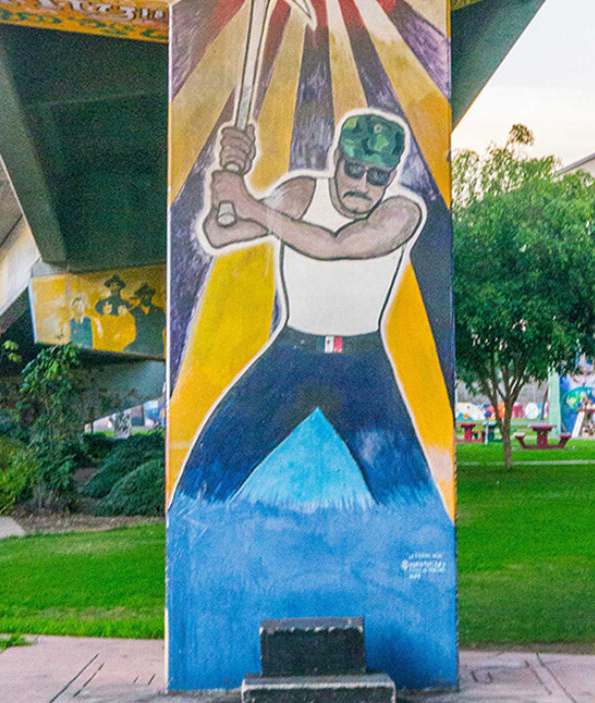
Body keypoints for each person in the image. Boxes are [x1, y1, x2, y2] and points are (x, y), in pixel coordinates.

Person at [175, 110, 435, 505]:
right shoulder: (300, 192)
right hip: (291, 356)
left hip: (364, 367)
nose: (363, 184)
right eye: (355, 168)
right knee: (205, 475)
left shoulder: (401, 212)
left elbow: (337, 246)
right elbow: (218, 232)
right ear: (336, 160)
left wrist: (247, 200)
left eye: (378, 175)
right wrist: (226, 188)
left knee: (410, 495)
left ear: (392, 176)